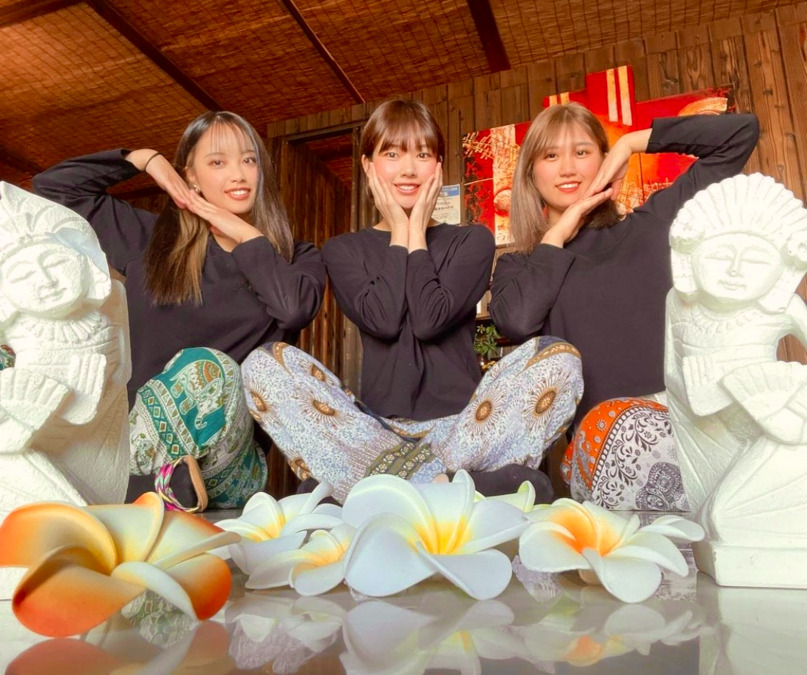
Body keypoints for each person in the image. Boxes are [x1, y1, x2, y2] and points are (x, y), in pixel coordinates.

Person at [243, 99, 583, 503]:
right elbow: (384, 319)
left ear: (438, 165)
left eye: (422, 155)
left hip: (464, 431)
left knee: (559, 359)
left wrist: (415, 230)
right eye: (392, 154)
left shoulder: (471, 239)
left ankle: (373, 489)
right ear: (368, 165)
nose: (408, 169)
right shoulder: (343, 249)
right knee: (263, 364)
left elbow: (428, 319)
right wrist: (400, 233)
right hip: (375, 435)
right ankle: (450, 487)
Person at [33, 111, 326, 510]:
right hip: (135, 448)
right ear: (191, 176)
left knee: (214, 368)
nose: (238, 174)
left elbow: (293, 310)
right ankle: (151, 481)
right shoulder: (152, 242)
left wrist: (245, 234)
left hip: (226, 466)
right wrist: (146, 159)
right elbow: (54, 188)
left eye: (249, 160)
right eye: (218, 162)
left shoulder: (294, 259)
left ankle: (140, 484)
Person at [489, 102, 759, 510]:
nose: (568, 168)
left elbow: (739, 135)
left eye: (582, 152)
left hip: (694, 437)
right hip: (606, 459)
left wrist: (631, 143)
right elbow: (517, 320)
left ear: (603, 160)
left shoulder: (654, 223)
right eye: (551, 155)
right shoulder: (522, 264)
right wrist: (557, 234)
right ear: (531, 173)